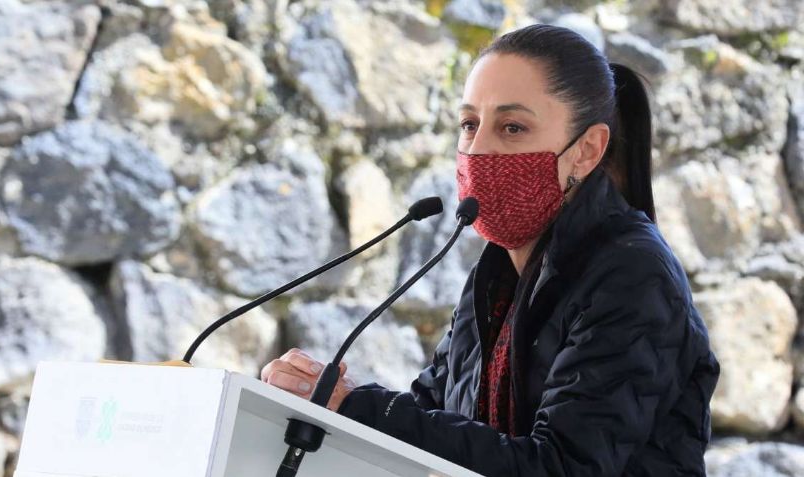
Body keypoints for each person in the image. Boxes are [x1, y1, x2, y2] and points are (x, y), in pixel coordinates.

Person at [261, 24, 720, 476]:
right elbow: (432, 418)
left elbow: (560, 465)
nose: (478, 150)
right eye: (469, 124)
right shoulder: (497, 274)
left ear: (586, 151)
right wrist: (328, 396)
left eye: (512, 127)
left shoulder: (634, 275)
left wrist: (363, 408)